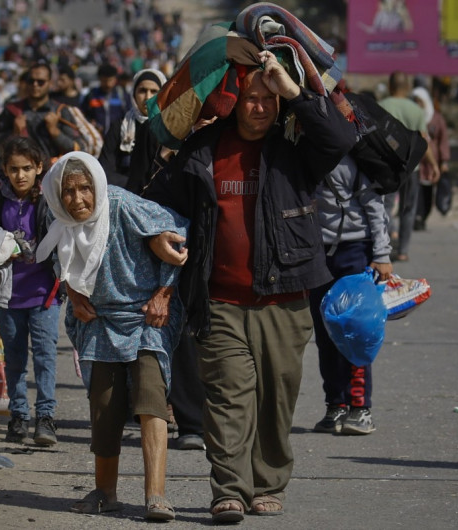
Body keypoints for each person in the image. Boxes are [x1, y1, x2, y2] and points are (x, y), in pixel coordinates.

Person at [143, 52, 357, 522]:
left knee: (278, 398)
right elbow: (156, 201)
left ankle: (268, 481)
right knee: (227, 397)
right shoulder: (203, 149)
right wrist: (158, 236)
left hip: (286, 299)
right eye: (250, 98)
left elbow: (341, 136)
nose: (259, 107)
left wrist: (293, 90)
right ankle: (230, 489)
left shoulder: (296, 148)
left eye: (267, 99)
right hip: (220, 299)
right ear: (233, 102)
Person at [36, 152, 188, 521]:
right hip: (99, 320)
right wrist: (72, 291)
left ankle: (156, 495)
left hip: (143, 316)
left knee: (151, 401)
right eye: (68, 191)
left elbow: (177, 233)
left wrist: (163, 294)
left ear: (98, 187)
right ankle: (105, 490)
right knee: (104, 408)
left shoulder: (121, 205)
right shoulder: (61, 218)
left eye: (85, 188)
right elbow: (61, 259)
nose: (77, 200)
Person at [0, 136, 62, 446]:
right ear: (4, 169)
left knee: (45, 357)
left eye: (27, 168)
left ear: (39, 168)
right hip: (8, 295)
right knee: (15, 360)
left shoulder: (49, 200)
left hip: (44, 294)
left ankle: (45, 419)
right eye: (14, 169)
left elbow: (64, 239)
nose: (20, 175)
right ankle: (18, 416)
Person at [309, 154, 394, 436]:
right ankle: (335, 404)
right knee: (325, 335)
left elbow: (375, 209)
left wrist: (382, 255)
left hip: (355, 253)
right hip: (317, 255)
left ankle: (360, 408)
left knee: (357, 332)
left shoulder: (354, 160)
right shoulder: (302, 153)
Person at [378, 72, 440, 262]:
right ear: (406, 88)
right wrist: (432, 164)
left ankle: (387, 241)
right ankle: (403, 250)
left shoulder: (381, 107)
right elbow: (423, 140)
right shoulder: (416, 109)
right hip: (410, 168)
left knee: (385, 207)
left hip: (387, 165)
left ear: (389, 86)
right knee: (408, 208)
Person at [0, 62, 88, 163]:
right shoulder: (12, 110)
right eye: (31, 81)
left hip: (51, 173)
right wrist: (14, 134)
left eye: (40, 82)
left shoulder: (60, 111)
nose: (35, 85)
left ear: (50, 83)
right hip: (20, 172)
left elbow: (78, 148)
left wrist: (55, 132)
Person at [97, 68, 165, 189]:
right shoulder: (120, 126)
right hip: (124, 192)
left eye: (154, 91)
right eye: (142, 91)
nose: (147, 97)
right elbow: (104, 169)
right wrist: (133, 187)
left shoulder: (169, 129)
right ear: (134, 94)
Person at [411, 86, 450, 231]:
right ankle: (417, 216)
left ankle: (423, 215)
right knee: (416, 190)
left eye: (419, 101)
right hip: (416, 162)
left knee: (427, 192)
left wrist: (444, 161)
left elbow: (443, 140)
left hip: (431, 161)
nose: (417, 104)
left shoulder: (436, 119)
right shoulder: (414, 116)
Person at [79, 62, 132, 136]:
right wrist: (90, 122)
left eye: (110, 80)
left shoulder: (122, 95)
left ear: (115, 79)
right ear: (99, 79)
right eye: (104, 81)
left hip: (117, 138)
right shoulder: (92, 95)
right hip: (97, 137)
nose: (108, 84)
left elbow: (130, 114)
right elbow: (82, 114)